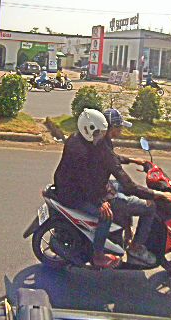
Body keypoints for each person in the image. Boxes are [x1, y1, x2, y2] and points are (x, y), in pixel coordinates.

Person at [102, 108, 171, 266]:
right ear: (112, 128)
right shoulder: (103, 147)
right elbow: (129, 186)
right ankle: (136, 247)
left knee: (128, 192)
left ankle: (127, 232)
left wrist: (133, 160)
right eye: (119, 127)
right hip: (104, 194)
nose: (121, 130)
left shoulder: (103, 141)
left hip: (103, 186)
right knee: (149, 207)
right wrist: (158, 194)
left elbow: (114, 158)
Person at [53, 108, 120, 268]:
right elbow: (85, 182)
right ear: (89, 129)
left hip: (71, 186)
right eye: (99, 132)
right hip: (72, 194)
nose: (102, 135)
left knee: (115, 189)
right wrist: (100, 202)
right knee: (106, 215)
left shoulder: (79, 139)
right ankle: (98, 255)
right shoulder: (80, 150)